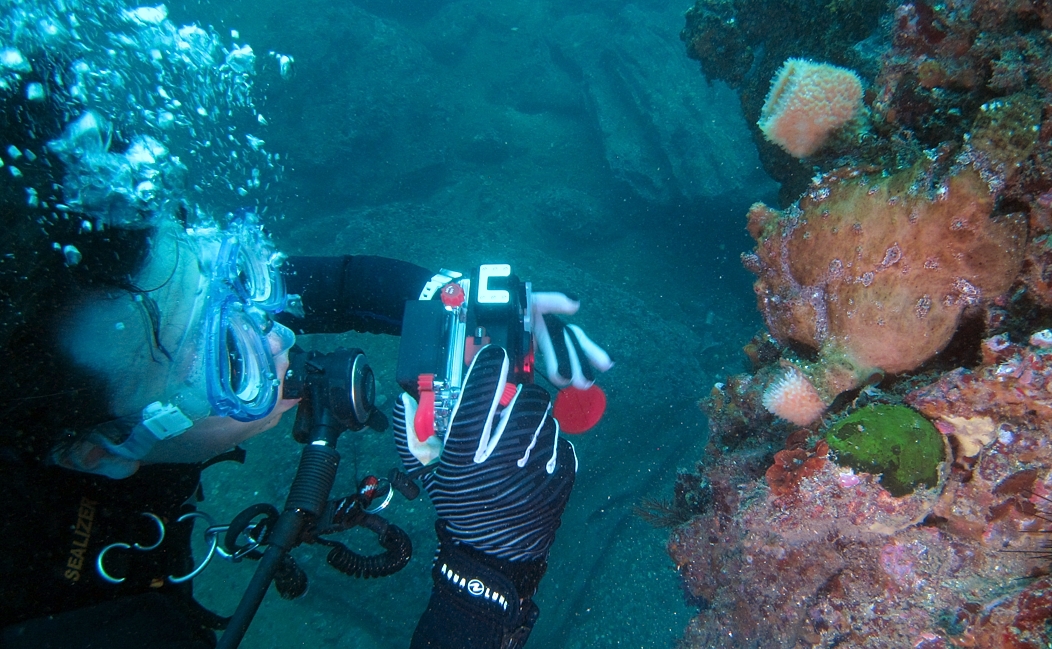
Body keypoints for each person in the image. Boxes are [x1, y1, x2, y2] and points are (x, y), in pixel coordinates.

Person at [0, 2, 612, 648]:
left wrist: (448, 302)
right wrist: (486, 580)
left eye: (238, 277)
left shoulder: (126, 353)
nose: (273, 329)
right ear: (98, 450)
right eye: (232, 359)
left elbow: (340, 285)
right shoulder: (72, 623)